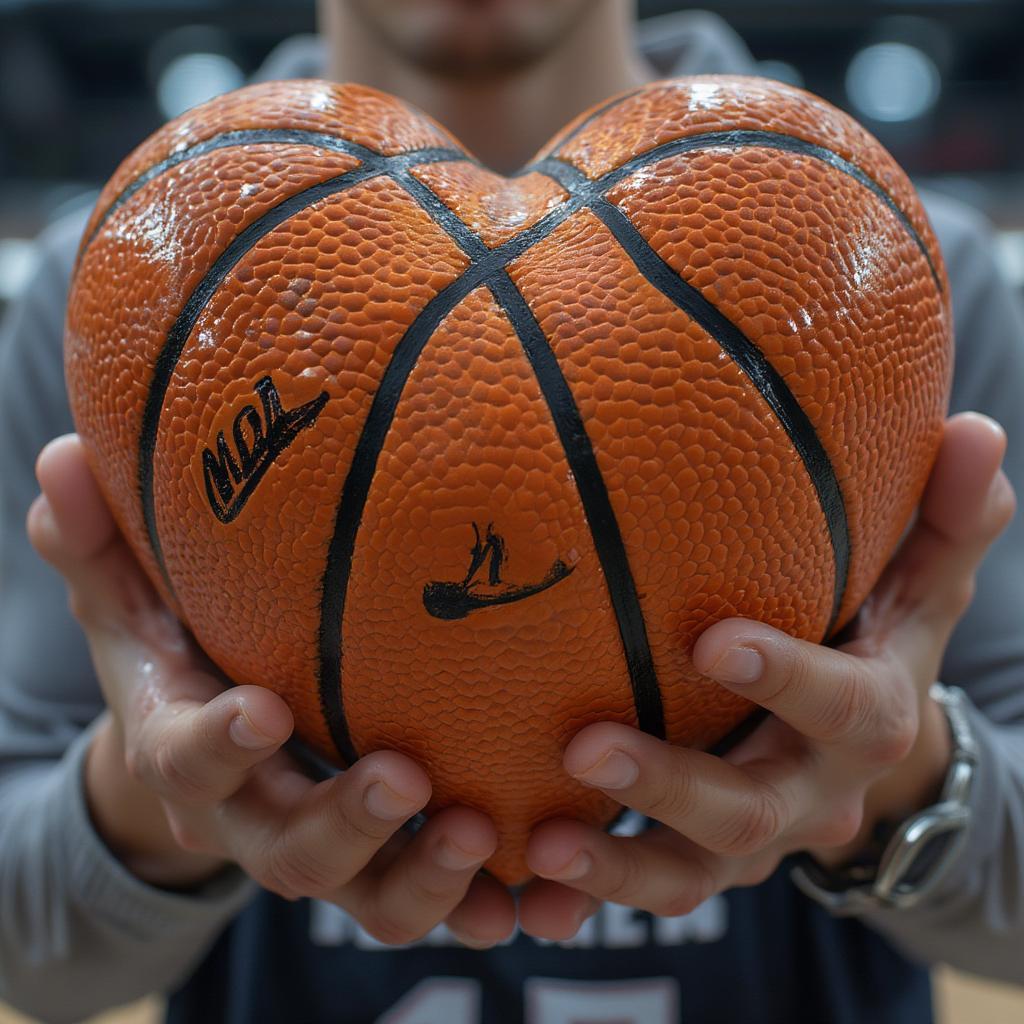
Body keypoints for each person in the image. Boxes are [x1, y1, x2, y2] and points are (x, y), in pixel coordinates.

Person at [1, 2, 1023, 1021]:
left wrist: (897, 784)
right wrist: (155, 800)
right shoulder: (138, 283)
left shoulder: (886, 273)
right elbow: (24, 957)